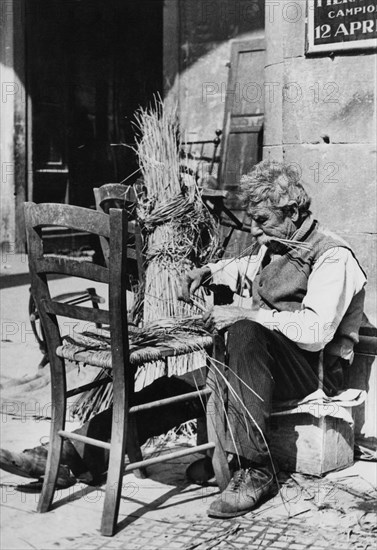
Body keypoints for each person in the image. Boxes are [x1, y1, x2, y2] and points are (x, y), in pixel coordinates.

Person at [0, 160, 367, 519]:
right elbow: (246, 268)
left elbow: (316, 332)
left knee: (241, 330)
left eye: (262, 221)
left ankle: (255, 469)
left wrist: (248, 315)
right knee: (173, 389)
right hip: (259, 360)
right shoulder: (278, 241)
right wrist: (207, 271)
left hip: (313, 372)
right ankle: (74, 455)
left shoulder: (332, 256)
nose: (254, 232)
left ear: (294, 212)